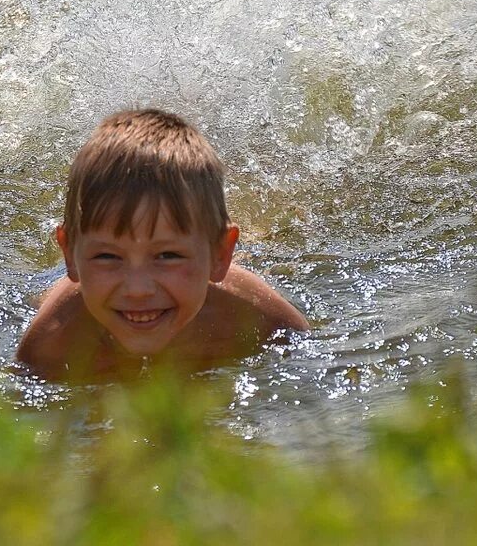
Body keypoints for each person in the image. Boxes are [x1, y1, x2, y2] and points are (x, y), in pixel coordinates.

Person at [17, 108, 310, 381]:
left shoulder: (259, 318)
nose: (138, 290)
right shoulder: (51, 345)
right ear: (69, 253)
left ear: (220, 256)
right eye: (107, 256)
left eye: (168, 255)